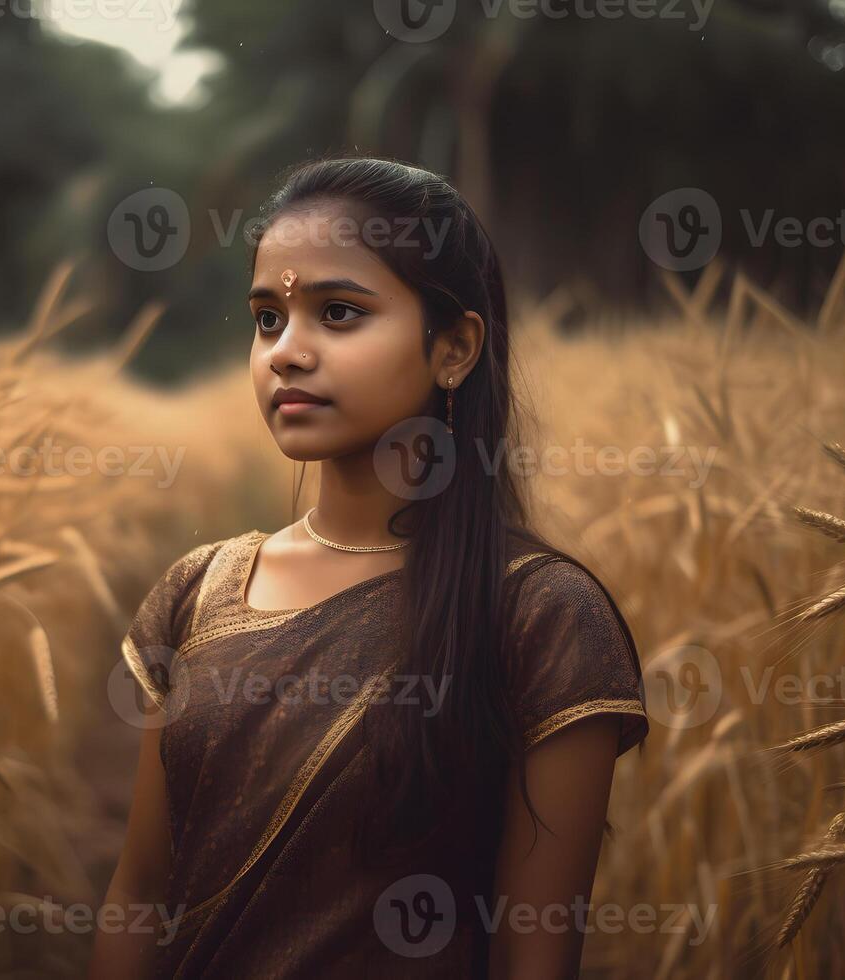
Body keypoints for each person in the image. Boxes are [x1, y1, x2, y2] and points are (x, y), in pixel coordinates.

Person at [89, 157, 648, 978]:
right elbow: (138, 898)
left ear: (454, 347)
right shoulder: (197, 592)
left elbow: (537, 956)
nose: (287, 352)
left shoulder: (540, 617)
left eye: (338, 313)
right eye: (267, 317)